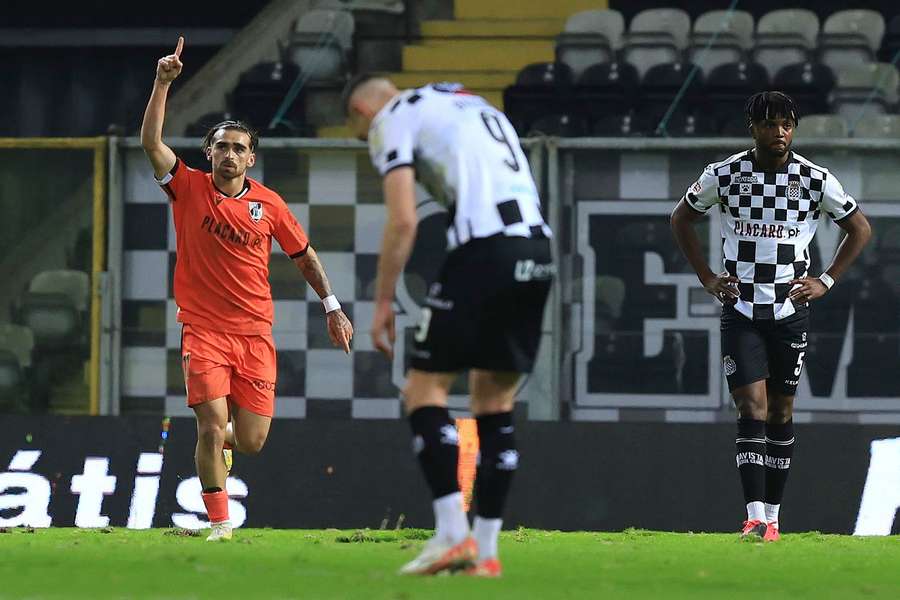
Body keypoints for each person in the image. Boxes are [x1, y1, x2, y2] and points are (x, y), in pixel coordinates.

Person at [140, 37, 354, 541]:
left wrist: (332, 306)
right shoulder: (187, 186)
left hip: (255, 333)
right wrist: (162, 83)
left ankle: (224, 448)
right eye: (222, 147)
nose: (230, 155)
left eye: (239, 148)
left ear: (251, 158)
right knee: (210, 425)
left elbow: (304, 255)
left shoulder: (270, 205)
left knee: (251, 440)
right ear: (208, 153)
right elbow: (151, 143)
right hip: (204, 330)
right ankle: (220, 524)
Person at [344, 75, 554, 576]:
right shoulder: (468, 101)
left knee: (423, 389)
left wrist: (379, 304)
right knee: (493, 402)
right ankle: (485, 553)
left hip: (484, 248)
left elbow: (404, 220)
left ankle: (450, 534)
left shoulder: (390, 117)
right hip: (537, 250)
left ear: (361, 112)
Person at [670, 92, 871, 541]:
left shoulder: (814, 179)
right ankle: (754, 516)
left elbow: (860, 227)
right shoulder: (723, 175)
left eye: (786, 124)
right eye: (769, 124)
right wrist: (707, 276)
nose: (779, 132)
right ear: (752, 128)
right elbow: (680, 218)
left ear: (794, 127)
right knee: (750, 407)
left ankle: (774, 519)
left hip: (789, 310)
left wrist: (827, 280)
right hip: (740, 309)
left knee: (781, 411)